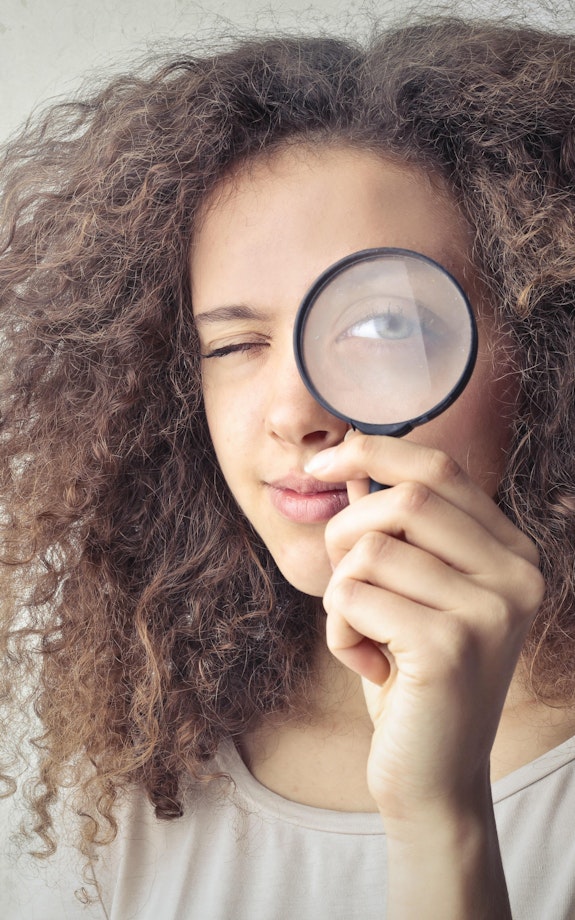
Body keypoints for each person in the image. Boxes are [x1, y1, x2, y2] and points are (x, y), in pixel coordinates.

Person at [2, 13, 575, 919]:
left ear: (543, 354)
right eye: (235, 344)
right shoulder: (144, 757)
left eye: (383, 324)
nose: (294, 412)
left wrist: (442, 815)